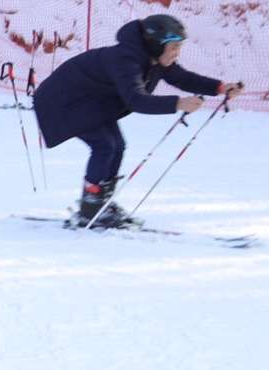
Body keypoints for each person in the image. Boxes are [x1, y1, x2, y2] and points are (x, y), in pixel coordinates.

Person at [33, 14, 244, 228]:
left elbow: (182, 78)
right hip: (62, 101)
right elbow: (137, 100)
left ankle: (100, 203)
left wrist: (219, 87)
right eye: (173, 47)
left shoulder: (153, 59)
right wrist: (178, 104)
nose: (177, 53)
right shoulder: (126, 60)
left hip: (90, 101)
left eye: (179, 47)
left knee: (117, 145)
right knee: (105, 145)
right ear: (155, 44)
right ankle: (90, 208)